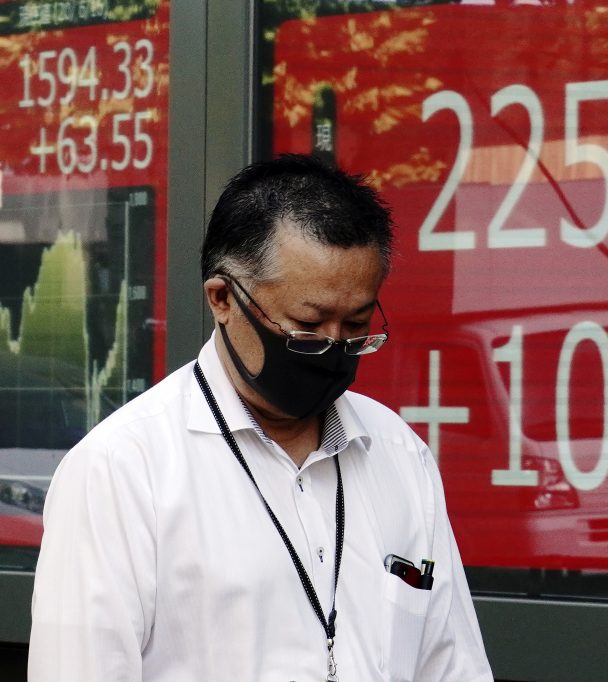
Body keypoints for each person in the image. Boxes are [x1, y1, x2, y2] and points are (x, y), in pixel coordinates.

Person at [28, 154, 493, 681]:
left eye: (357, 327)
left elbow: (452, 666)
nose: (335, 349)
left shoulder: (400, 454)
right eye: (308, 328)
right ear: (222, 298)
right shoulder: (121, 470)